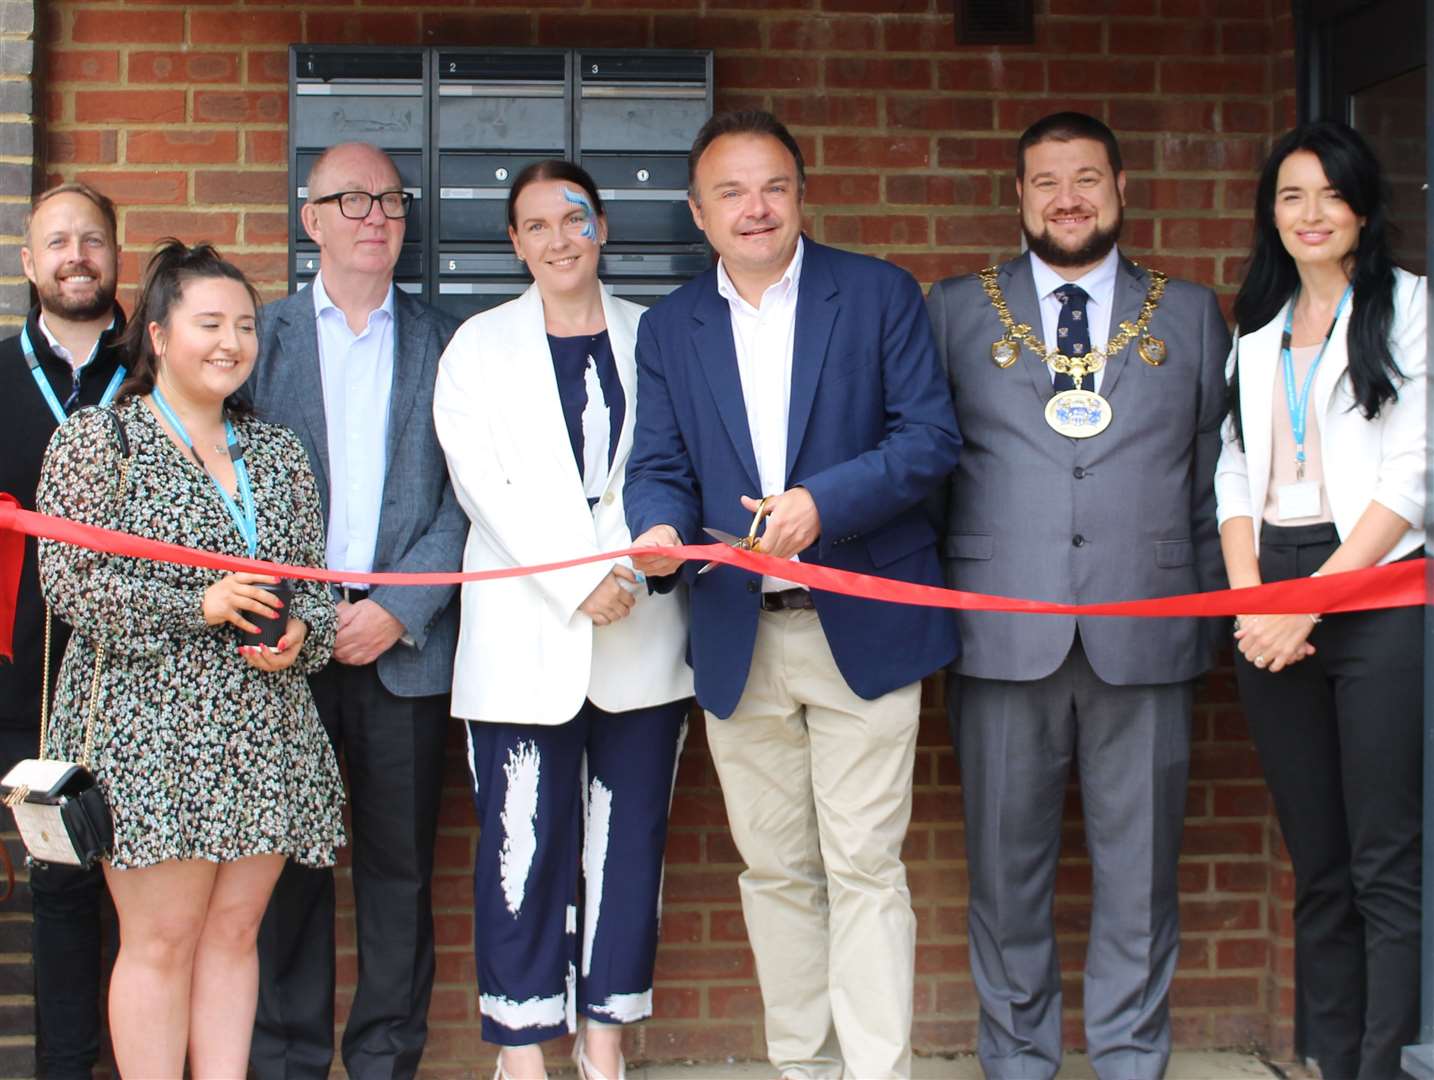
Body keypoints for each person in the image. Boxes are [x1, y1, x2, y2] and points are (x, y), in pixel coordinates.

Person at [625, 109, 961, 1080]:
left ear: (801, 194)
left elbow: (928, 440)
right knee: (774, 872)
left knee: (864, 868)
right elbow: (659, 464)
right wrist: (656, 531)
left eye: (772, 185)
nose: (755, 207)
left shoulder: (879, 293)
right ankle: (802, 1069)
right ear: (698, 211)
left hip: (864, 624)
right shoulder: (670, 327)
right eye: (730, 191)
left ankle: (875, 1071)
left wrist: (823, 504)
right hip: (739, 635)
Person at [926, 112, 1229, 1080]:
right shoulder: (954, 312)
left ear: (1121, 188)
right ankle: (1018, 1060)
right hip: (1001, 635)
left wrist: (1208, 614)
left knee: (1141, 877)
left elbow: (1212, 479)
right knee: (1005, 879)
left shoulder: (1187, 314)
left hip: (1146, 634)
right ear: (1018, 196)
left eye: (1087, 178)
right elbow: (927, 478)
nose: (1068, 198)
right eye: (1047, 181)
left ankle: (1131, 1058)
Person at [34, 239, 345, 1078]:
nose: (230, 342)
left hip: (263, 730)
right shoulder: (100, 442)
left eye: (244, 326)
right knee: (161, 941)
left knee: (234, 935)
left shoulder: (278, 454)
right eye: (209, 323)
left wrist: (301, 637)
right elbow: (70, 585)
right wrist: (197, 602)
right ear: (160, 336)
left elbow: (316, 589)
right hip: (149, 736)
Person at [433, 159, 693, 1080]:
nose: (556, 240)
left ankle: (606, 1037)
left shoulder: (656, 335)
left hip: (641, 632)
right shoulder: (476, 346)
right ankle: (522, 1043)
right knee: (523, 847)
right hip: (522, 630)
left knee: (629, 848)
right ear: (513, 243)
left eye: (573, 219)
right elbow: (485, 487)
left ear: (603, 227)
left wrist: (619, 569)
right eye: (535, 225)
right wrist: (578, 578)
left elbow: (672, 461)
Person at [245, 140, 466, 1080]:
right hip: (284, 645)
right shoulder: (258, 339)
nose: (374, 215)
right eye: (351, 199)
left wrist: (399, 607)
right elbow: (230, 491)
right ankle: (286, 1060)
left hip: (401, 644)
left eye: (389, 200)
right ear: (313, 220)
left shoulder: (451, 342)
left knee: (398, 876)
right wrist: (295, 612)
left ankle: (385, 1061)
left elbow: (473, 500)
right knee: (285, 872)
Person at [1215, 120, 1425, 1080]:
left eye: (1329, 195)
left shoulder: (1413, 308)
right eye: (1291, 195)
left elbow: (1413, 478)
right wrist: (1255, 598)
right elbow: (1230, 472)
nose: (1310, 213)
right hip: (1274, 586)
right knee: (1319, 863)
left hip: (1379, 584)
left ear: (1363, 209)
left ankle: (1384, 1066)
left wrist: (1315, 601)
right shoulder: (1254, 334)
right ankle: (1330, 1062)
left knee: (1384, 862)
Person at [0, 180, 125, 1079]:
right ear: (28, 262)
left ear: (116, 256)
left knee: (145, 898)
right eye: (57, 241)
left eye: (91, 239)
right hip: (25, 677)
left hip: (145, 672)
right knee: (57, 891)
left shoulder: (159, 368)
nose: (75, 255)